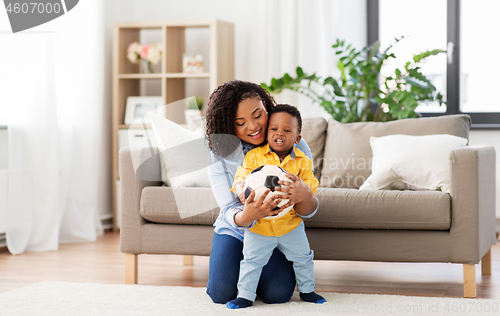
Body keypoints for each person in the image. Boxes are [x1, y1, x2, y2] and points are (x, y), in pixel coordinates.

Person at [205, 80, 319, 305]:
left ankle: (259, 274)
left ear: (267, 107)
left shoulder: (294, 144)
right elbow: (228, 208)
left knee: (277, 294)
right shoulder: (219, 151)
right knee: (220, 294)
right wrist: (248, 215)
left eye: (258, 115)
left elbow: (308, 209)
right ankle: (245, 274)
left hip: (276, 230)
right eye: (240, 122)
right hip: (237, 228)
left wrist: (303, 194)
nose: (252, 126)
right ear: (229, 126)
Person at [226, 104, 325, 309]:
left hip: (291, 225)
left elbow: (310, 186)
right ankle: (245, 295)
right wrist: (240, 189)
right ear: (267, 132)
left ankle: (308, 290)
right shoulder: (254, 157)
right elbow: (241, 177)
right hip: (259, 226)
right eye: (274, 129)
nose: (280, 133)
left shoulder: (303, 161)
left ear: (297, 138)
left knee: (303, 258)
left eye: (287, 130)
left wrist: (303, 190)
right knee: (251, 261)